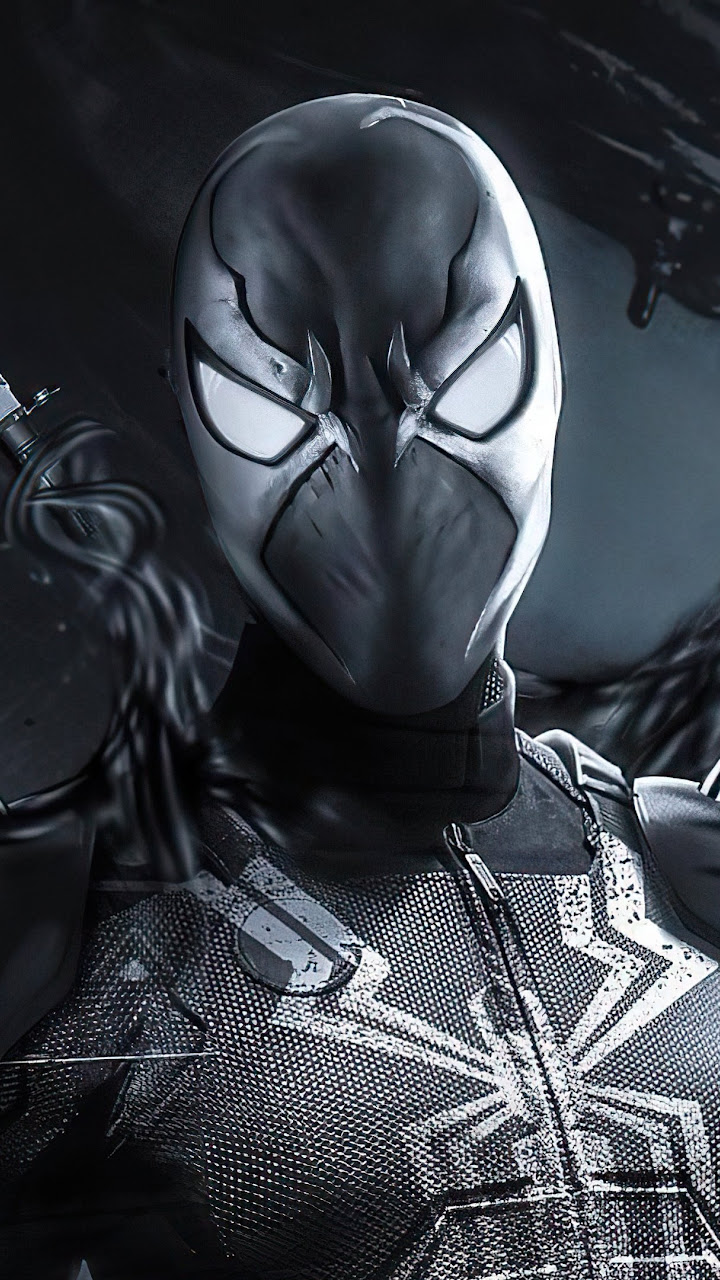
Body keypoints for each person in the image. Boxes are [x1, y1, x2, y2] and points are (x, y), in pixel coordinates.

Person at [3, 92, 720, 1279]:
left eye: (471, 385)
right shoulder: (77, 929)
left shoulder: (683, 872)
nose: (385, 489)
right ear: (191, 403)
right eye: (268, 411)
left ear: (543, 375)